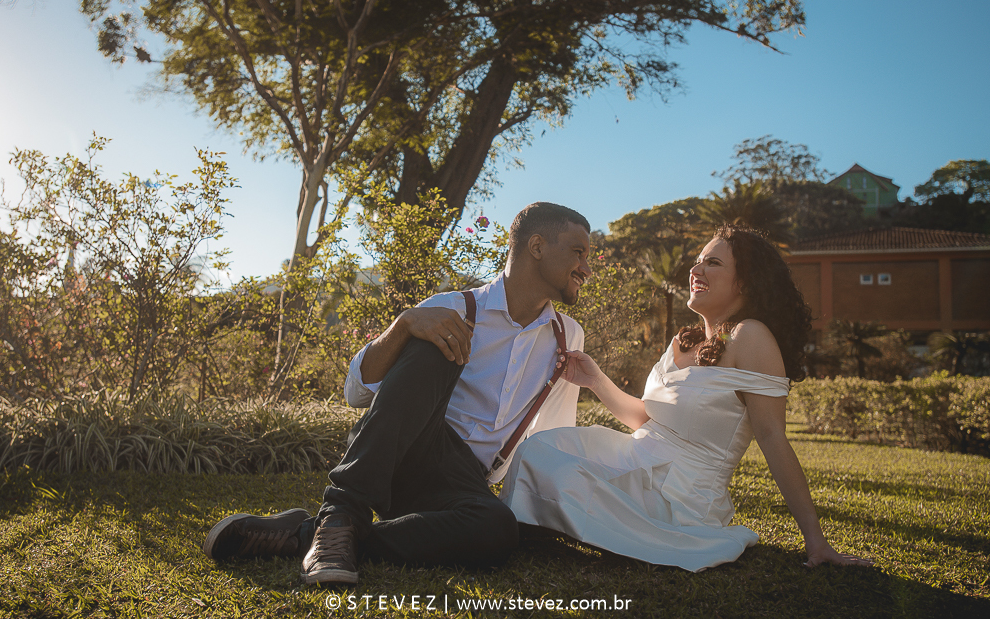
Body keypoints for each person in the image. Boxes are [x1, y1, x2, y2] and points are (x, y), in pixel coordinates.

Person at [202, 202, 591, 584]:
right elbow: (356, 393)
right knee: (437, 337)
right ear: (536, 247)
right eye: (578, 253)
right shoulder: (453, 306)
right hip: (404, 449)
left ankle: (313, 535)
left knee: (499, 530)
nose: (586, 269)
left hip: (464, 483)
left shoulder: (567, 336)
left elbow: (551, 434)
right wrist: (404, 324)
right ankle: (341, 512)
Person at [500, 225, 874, 572]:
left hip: (679, 496)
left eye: (713, 263)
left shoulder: (750, 337)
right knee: (539, 449)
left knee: (557, 470)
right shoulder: (684, 341)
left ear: (746, 281)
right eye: (697, 261)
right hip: (635, 459)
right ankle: (542, 521)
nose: (696, 270)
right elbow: (648, 419)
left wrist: (815, 541)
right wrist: (595, 380)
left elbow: (773, 436)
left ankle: (544, 523)